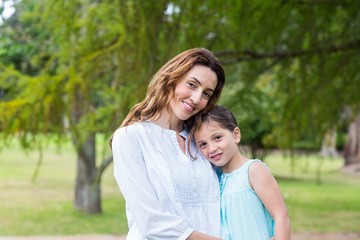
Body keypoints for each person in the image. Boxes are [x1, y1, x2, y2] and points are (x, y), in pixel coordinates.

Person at [110, 48, 225, 240]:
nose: (196, 99)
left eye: (206, 94)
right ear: (171, 79)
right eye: (191, 84)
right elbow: (151, 222)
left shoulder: (201, 142)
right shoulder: (130, 138)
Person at [192, 105, 291, 240]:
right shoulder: (214, 178)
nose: (212, 148)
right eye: (203, 144)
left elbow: (280, 215)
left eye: (217, 138)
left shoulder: (253, 171)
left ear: (236, 135)